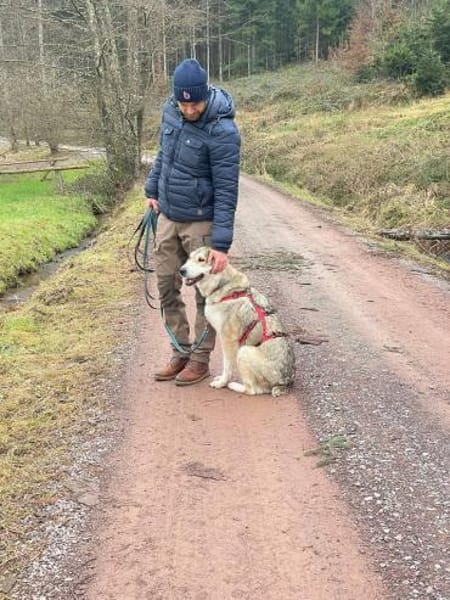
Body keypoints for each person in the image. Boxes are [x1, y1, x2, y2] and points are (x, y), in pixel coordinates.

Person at [144, 58, 241, 386]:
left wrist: (221, 245)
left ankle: (199, 359)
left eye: (194, 104)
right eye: (183, 104)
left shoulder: (223, 131)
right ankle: (179, 351)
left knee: (204, 293)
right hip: (168, 215)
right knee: (165, 284)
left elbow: (227, 190)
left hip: (201, 222)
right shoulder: (170, 111)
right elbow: (164, 154)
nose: (189, 110)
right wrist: (152, 189)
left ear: (205, 94)